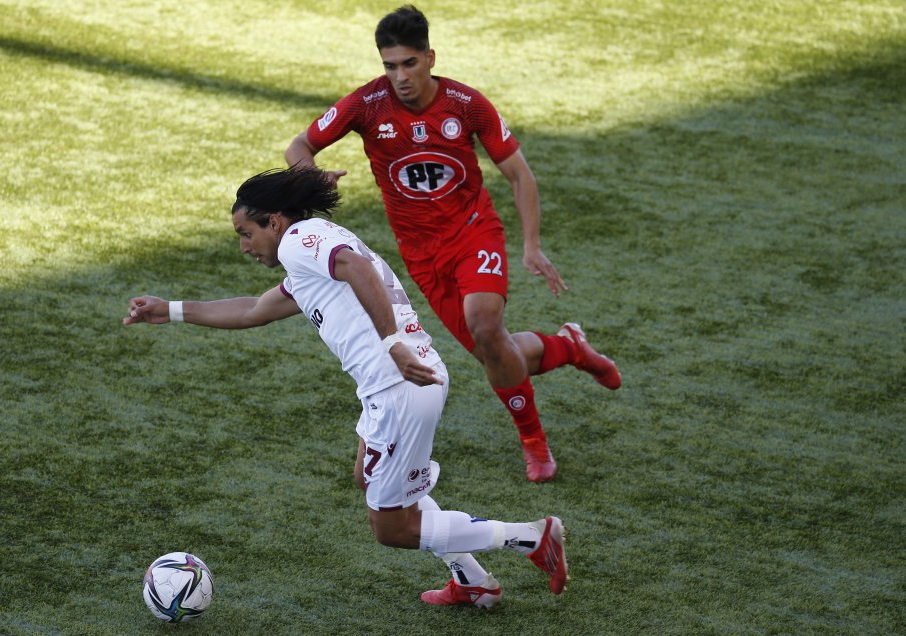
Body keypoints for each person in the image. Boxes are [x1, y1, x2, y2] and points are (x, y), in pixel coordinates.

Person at [122, 166, 568, 607]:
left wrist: (392, 343)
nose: (244, 247)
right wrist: (170, 311)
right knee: (367, 477)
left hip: (399, 385)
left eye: (245, 233)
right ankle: (471, 579)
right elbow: (253, 310)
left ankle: (529, 536)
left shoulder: (300, 241)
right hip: (393, 388)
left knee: (392, 529)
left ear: (274, 221)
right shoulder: (307, 255)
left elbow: (355, 267)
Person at [284, 5, 621, 483]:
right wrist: (312, 175)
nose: (399, 76)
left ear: (429, 57)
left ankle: (534, 443)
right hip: (421, 254)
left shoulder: (467, 105)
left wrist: (531, 245)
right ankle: (569, 348)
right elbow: (298, 146)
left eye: (409, 63)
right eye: (389, 65)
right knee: (493, 352)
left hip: (473, 232)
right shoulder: (366, 105)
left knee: (484, 324)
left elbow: (519, 175)